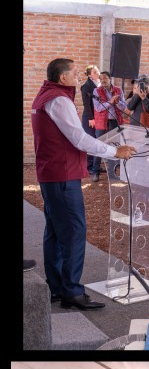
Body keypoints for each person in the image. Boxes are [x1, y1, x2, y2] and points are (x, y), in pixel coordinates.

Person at [31, 58, 135, 311]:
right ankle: (72, 291)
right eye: (75, 74)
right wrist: (114, 151)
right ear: (62, 78)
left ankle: (57, 286)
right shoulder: (59, 100)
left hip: (51, 173)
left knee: (55, 231)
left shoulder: (45, 96)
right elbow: (79, 139)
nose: (79, 78)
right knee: (75, 231)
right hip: (62, 174)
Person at [80, 65, 101, 181]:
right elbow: (86, 104)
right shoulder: (86, 86)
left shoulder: (100, 84)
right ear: (89, 75)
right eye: (94, 72)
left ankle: (95, 165)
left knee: (97, 140)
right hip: (90, 117)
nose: (97, 72)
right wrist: (91, 118)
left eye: (97, 70)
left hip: (99, 116)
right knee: (90, 140)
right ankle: (89, 167)